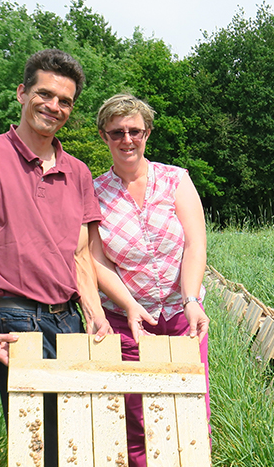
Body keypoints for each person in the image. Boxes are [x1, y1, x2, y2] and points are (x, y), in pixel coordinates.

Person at [0, 48, 112, 463]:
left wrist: (95, 311)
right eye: (45, 94)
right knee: (37, 442)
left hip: (70, 317)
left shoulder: (77, 172)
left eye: (65, 101)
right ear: (22, 93)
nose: (54, 106)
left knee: (79, 436)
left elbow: (79, 255)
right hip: (16, 318)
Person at [90, 93, 210, 467]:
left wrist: (190, 299)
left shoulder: (176, 180)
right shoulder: (93, 193)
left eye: (135, 131)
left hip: (180, 314)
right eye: (117, 132)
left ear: (148, 133)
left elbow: (194, 244)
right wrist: (129, 305)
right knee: (136, 417)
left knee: (190, 411)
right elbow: (95, 260)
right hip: (126, 321)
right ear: (103, 136)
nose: (127, 140)